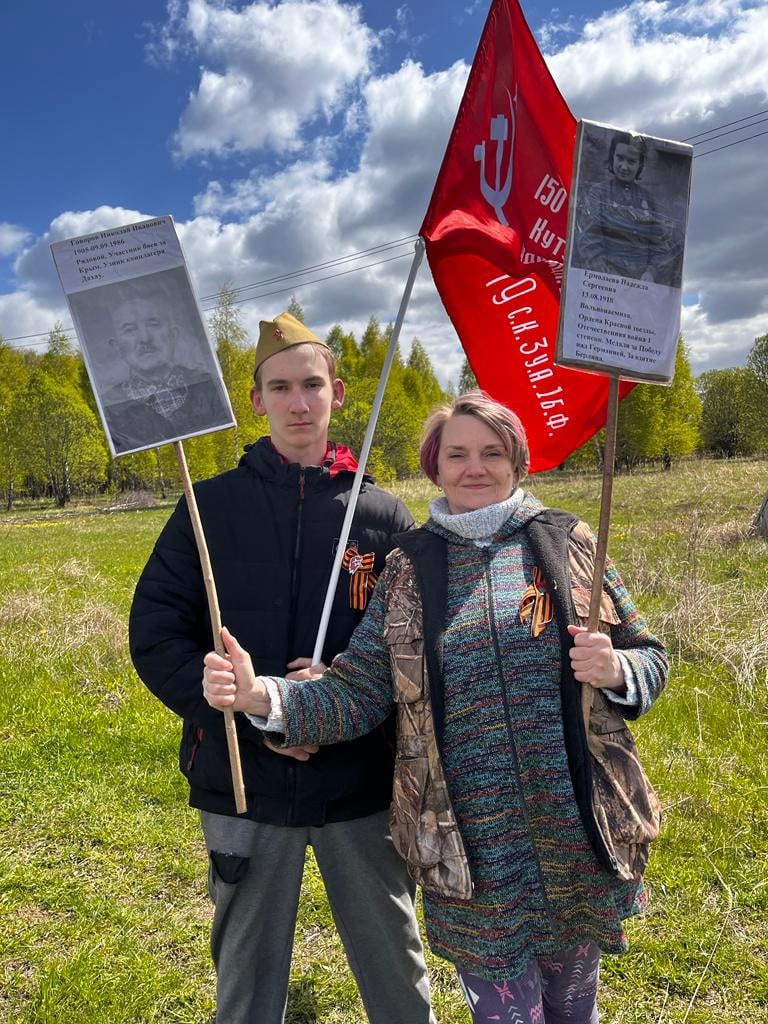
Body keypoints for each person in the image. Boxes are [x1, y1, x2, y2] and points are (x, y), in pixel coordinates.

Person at [203, 390, 669, 1024]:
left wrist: (618, 669)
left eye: (492, 452)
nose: (475, 467)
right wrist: (264, 696)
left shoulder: (569, 543)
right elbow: (358, 690)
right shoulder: (409, 567)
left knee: (573, 1010)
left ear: (517, 461)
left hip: (573, 834)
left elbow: (649, 653)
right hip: (473, 847)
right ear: (435, 465)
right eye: (458, 454)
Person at [129, 311, 435, 1024]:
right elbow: (155, 634)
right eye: (280, 387)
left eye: (312, 385)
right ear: (257, 399)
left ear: (339, 391)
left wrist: (337, 702)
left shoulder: (384, 518)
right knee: (246, 972)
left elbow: (417, 650)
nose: (299, 403)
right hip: (242, 778)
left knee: (395, 958)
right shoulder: (208, 508)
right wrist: (229, 704)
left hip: (358, 779)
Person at [101, 282, 231, 453]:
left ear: (173, 334)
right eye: (130, 329)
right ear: (117, 345)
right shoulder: (110, 408)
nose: (145, 338)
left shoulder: (210, 387)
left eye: (153, 324)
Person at [573, 131, 679, 285]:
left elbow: (661, 242)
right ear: (612, 157)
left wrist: (651, 272)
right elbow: (589, 240)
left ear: (639, 164)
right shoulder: (598, 193)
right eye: (620, 158)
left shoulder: (648, 200)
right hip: (605, 284)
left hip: (643, 284)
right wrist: (609, 278)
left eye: (631, 161)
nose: (624, 166)